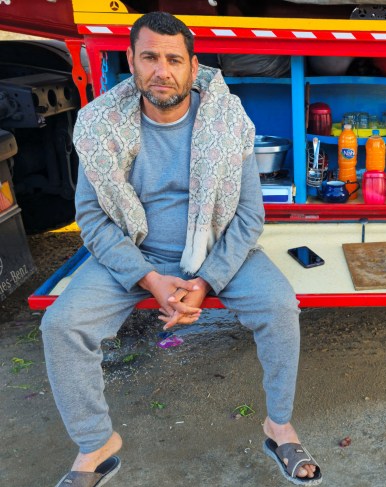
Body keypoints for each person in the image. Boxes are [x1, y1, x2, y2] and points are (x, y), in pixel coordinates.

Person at [41, 12, 322, 487]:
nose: (161, 70)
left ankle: (278, 424)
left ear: (194, 68)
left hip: (215, 250)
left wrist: (207, 280)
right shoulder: (99, 128)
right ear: (131, 60)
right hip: (132, 255)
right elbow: (91, 219)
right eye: (149, 57)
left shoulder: (228, 121)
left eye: (174, 59)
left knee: (279, 305)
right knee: (61, 325)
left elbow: (250, 216)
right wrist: (148, 278)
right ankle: (96, 444)